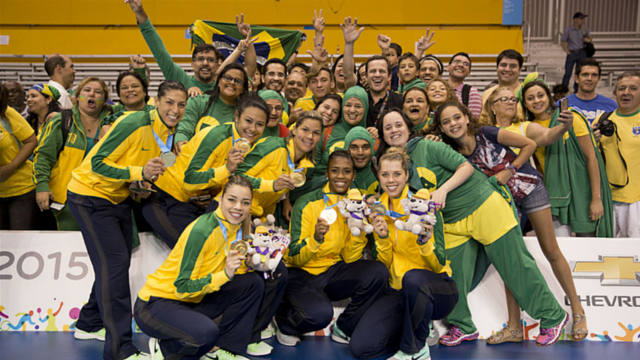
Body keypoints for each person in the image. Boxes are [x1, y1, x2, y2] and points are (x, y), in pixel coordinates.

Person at [378, 109, 569, 348]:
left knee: (514, 264)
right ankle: (464, 326)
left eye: (398, 124)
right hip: (451, 220)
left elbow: (466, 168)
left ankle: (553, 315)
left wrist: (444, 190)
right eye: (388, 127)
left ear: (408, 127)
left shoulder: (429, 146)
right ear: (383, 136)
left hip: (483, 204)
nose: (394, 130)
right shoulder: (392, 163)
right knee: (451, 274)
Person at [430, 101, 588, 342]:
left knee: (551, 250)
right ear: (441, 128)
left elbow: (530, 144)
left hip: (528, 187)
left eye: (456, 118)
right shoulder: (452, 151)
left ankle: (577, 311)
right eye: (446, 122)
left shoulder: (487, 132)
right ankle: (515, 327)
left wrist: (510, 169)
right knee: (508, 260)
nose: (453, 124)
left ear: (466, 117)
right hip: (500, 200)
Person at [66, 81, 188, 360]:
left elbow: (133, 169)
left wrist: (140, 182)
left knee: (114, 265)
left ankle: (88, 323)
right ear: (156, 101)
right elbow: (98, 163)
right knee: (115, 268)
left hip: (117, 196)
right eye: (170, 102)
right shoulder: (133, 122)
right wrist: (139, 170)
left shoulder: (166, 131)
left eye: (181, 104)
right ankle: (119, 350)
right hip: (89, 195)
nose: (175, 109)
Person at [135, 175, 288, 360]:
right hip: (156, 303)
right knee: (204, 334)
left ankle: (222, 348)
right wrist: (225, 274)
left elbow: (228, 270)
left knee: (253, 282)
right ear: (221, 200)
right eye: (232, 200)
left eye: (245, 202)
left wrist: (249, 265)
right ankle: (166, 347)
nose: (238, 207)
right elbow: (183, 287)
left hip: (191, 300)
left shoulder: (239, 228)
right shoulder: (202, 231)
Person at [349, 148, 456, 360]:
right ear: (378, 176)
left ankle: (414, 349)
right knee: (361, 348)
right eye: (385, 174)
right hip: (398, 291)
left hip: (436, 288)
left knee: (413, 278)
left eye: (397, 174)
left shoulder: (424, 208)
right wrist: (381, 237)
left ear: (407, 175)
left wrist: (425, 242)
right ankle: (416, 327)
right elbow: (384, 263)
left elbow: (438, 263)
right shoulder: (379, 211)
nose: (391, 180)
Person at [275, 150, 389, 347]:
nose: (340, 176)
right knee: (320, 315)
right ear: (326, 174)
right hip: (302, 272)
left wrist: (359, 230)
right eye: (335, 170)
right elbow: (293, 256)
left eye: (346, 171)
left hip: (334, 270)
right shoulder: (306, 203)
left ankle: (343, 328)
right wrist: (316, 238)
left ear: (353, 175)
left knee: (378, 273)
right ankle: (285, 323)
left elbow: (350, 257)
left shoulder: (355, 205)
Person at [143, 96, 269, 249]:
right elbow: (190, 182)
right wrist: (227, 169)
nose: (253, 129)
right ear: (236, 116)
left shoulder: (251, 146)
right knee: (193, 250)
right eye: (248, 121)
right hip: (165, 196)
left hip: (191, 202)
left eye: (260, 124)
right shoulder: (216, 136)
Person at [520, 79, 613, 237]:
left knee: (588, 244)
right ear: (525, 104)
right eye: (530, 98)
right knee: (561, 245)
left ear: (549, 98)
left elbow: (591, 158)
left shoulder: (570, 118)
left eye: (540, 95)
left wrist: (596, 199)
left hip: (583, 191)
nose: (536, 101)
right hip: (554, 195)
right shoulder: (527, 128)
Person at [33, 77, 112, 230]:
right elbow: (43, 156)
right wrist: (42, 186)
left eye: (98, 92)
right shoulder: (61, 121)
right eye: (87, 91)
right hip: (68, 200)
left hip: (104, 198)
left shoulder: (113, 122)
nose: (92, 95)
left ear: (104, 100)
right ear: (77, 96)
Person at [127, 0, 257, 93]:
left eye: (210, 60)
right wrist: (140, 13)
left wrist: (248, 40)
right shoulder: (180, 79)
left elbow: (250, 69)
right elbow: (158, 49)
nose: (205, 63)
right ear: (192, 64)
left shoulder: (225, 85)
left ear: (217, 66)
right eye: (200, 59)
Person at [236, 110, 323, 221]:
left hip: (260, 217)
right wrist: (272, 185)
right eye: (305, 130)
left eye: (316, 133)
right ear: (295, 129)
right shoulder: (273, 146)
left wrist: (285, 201)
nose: (310, 136)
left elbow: (285, 178)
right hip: (234, 210)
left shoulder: (304, 165)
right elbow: (237, 177)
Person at [594, 71, 640, 237]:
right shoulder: (602, 120)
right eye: (622, 88)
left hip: (636, 201)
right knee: (607, 252)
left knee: (635, 253)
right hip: (608, 199)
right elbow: (592, 160)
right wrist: (593, 141)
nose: (626, 92)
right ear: (615, 93)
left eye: (633, 88)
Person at [174, 64, 250, 150]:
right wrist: (181, 142)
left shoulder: (245, 113)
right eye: (227, 78)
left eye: (238, 81)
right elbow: (184, 130)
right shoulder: (198, 101)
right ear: (219, 82)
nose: (232, 82)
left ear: (243, 89)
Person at [0, 83, 38, 230]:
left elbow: (31, 140)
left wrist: (10, 167)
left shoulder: (7, 114)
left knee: (19, 240)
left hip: (21, 190)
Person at [314, 86, 369, 180]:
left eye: (358, 106)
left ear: (366, 108)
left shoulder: (370, 136)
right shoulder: (327, 132)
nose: (352, 110)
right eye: (348, 105)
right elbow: (314, 166)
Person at [560, 59, 617, 125]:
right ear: (576, 78)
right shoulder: (562, 105)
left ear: (599, 79)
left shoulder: (611, 105)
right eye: (585, 75)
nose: (589, 78)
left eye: (594, 75)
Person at [479, 49, 524, 124]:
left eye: (513, 66)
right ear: (497, 68)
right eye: (503, 65)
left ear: (520, 70)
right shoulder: (487, 94)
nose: (507, 69)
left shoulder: (527, 92)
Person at [562, 12, 592, 93]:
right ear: (575, 19)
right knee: (568, 73)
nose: (582, 21)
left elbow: (589, 37)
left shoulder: (584, 28)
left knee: (579, 73)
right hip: (572, 52)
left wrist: (587, 39)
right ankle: (563, 90)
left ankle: (576, 90)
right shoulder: (568, 30)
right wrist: (567, 51)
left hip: (581, 52)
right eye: (580, 19)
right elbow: (563, 41)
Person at [447, 52, 483, 119]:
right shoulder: (438, 89)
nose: (461, 65)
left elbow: (473, 122)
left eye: (465, 64)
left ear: (468, 73)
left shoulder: (471, 92)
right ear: (448, 67)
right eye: (457, 62)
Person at [344, 127, 379, 195]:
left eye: (365, 147)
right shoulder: (339, 174)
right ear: (346, 150)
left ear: (371, 150)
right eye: (354, 147)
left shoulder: (380, 168)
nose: (360, 152)